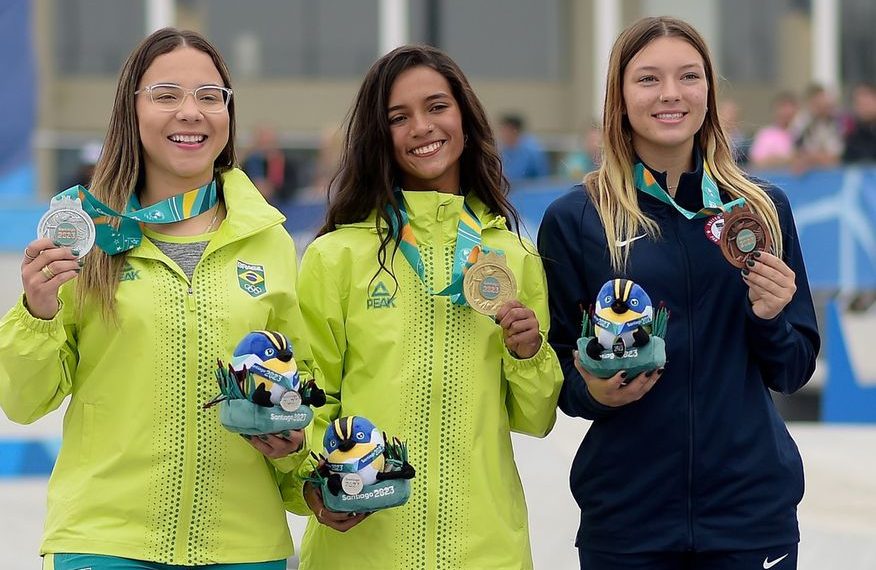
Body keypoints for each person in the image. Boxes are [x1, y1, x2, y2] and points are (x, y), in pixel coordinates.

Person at [0, 28, 314, 570]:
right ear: (132, 109)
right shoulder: (86, 232)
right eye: (166, 95)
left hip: (241, 547)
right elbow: (24, 403)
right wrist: (37, 311)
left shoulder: (270, 241)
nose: (190, 112)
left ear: (228, 114)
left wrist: (295, 445)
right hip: (104, 544)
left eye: (210, 97)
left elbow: (300, 382)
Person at [537, 17, 819, 569]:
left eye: (689, 76)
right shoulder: (577, 219)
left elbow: (793, 368)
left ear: (709, 92)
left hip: (749, 515)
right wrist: (595, 393)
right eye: (648, 79)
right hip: (627, 518)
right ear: (618, 96)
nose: (671, 93)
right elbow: (557, 372)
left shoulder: (761, 211)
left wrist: (769, 318)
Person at [291, 45, 562, 569]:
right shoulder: (337, 256)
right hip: (361, 550)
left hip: (485, 550)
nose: (421, 126)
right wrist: (318, 486)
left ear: (463, 116)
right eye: (398, 117)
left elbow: (536, 416)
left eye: (436, 106)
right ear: (379, 136)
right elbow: (311, 398)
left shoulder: (512, 256)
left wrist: (527, 355)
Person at [750, 92, 799, 169]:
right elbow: (757, 161)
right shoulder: (766, 134)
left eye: (790, 107)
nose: (787, 111)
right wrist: (788, 160)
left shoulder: (800, 133)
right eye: (783, 107)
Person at [498, 113, 551, 182]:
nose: (502, 134)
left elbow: (542, 177)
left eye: (505, 130)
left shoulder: (532, 150)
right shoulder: (503, 149)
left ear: (513, 130)